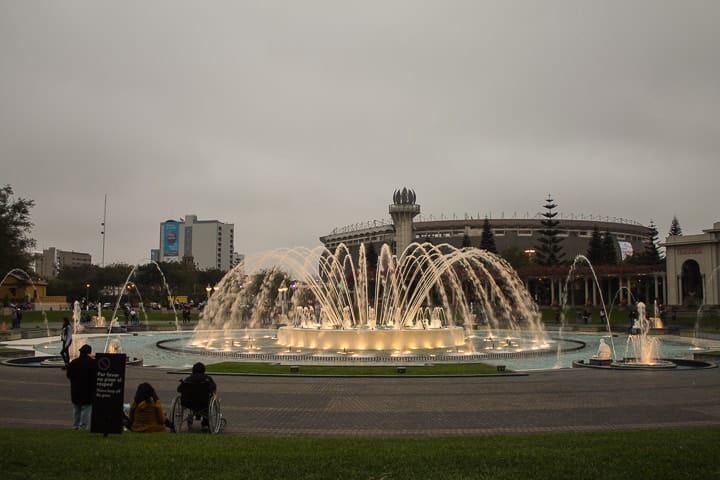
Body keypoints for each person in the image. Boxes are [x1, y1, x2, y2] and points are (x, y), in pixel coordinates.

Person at [66, 344, 97, 430]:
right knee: (86, 410)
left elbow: (68, 375)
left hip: (76, 390)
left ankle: (75, 426)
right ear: (89, 353)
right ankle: (83, 427)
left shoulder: (74, 362)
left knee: (76, 409)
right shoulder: (93, 363)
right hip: (88, 391)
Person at [177, 362, 217, 428]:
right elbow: (213, 389)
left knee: (193, 397)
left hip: (188, 403)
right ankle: (205, 422)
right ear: (204, 370)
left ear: (193, 370)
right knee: (209, 399)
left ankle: (191, 415)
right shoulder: (207, 379)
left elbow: (179, 389)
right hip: (204, 403)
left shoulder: (188, 379)